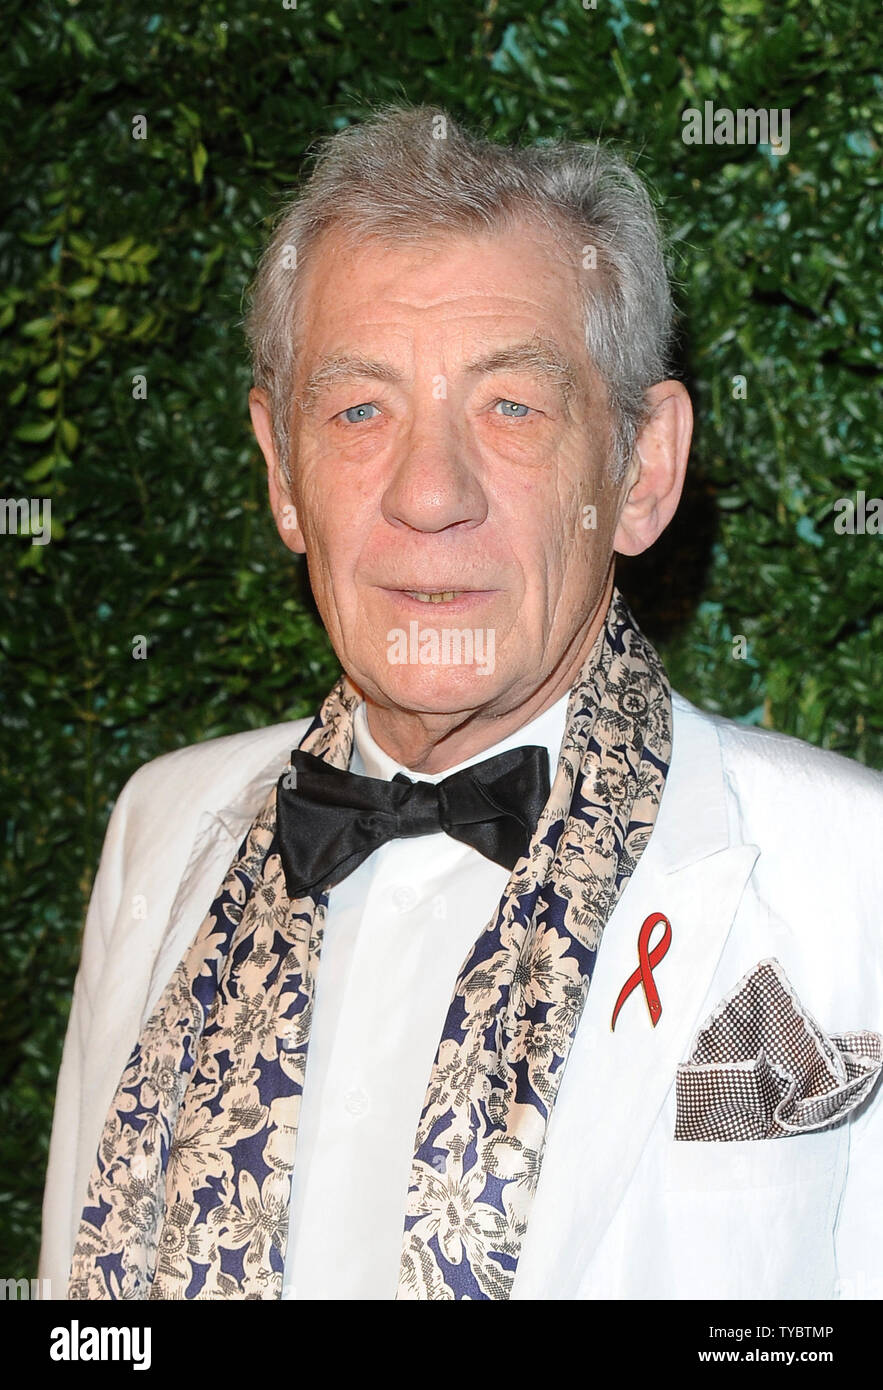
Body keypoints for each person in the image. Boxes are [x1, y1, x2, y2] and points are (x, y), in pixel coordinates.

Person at [40, 106, 883, 1302]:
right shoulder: (159, 829)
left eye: (512, 408)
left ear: (639, 473)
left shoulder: (853, 869)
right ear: (282, 475)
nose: (429, 494)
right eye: (358, 411)